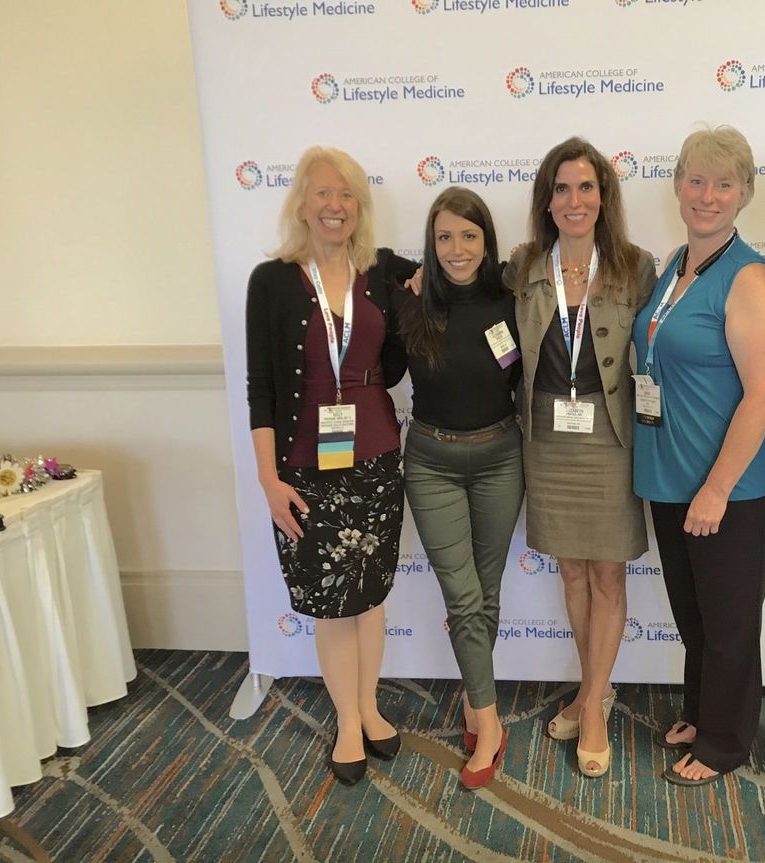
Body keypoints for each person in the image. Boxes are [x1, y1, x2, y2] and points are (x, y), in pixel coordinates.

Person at [245, 146, 418, 787]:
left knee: (368, 597)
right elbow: (260, 385)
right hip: (303, 469)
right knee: (328, 601)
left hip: (375, 458)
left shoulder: (382, 274)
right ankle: (346, 720)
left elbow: (402, 353)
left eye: (346, 195)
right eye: (323, 193)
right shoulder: (271, 281)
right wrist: (268, 479)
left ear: (359, 208)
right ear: (301, 203)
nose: (335, 205)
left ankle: (370, 707)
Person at [633, 126, 765, 787]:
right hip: (672, 476)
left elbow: (763, 395)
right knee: (694, 613)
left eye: (724, 183)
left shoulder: (749, 277)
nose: (707, 194)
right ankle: (702, 709)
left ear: (745, 193)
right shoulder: (677, 263)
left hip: (733, 486)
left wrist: (717, 488)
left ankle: (726, 741)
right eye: (695, 179)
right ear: (676, 185)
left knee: (728, 622)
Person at [506, 136, 657, 778]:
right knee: (570, 573)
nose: (574, 200)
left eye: (586, 187)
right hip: (547, 437)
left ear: (604, 196)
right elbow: (459, 280)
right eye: (562, 188)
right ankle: (594, 686)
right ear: (547, 199)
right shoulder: (521, 266)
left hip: (608, 439)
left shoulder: (634, 266)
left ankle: (591, 704)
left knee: (607, 576)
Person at [392, 187, 523, 790]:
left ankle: (476, 702)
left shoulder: (513, 297)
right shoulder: (411, 301)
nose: (456, 249)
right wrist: (405, 272)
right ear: (430, 243)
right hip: (432, 462)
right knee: (463, 598)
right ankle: (490, 727)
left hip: (501, 457)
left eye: (469, 236)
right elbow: (364, 261)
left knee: (486, 592)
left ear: (487, 241)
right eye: (444, 237)